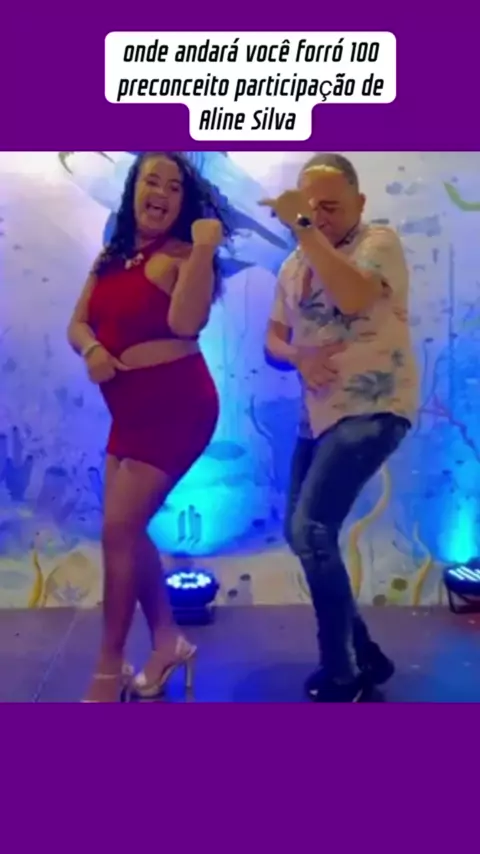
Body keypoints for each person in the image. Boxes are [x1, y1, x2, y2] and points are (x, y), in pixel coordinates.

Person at [67, 152, 233, 702]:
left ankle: (108, 666)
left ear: (184, 204)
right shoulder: (111, 256)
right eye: (151, 181)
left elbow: (186, 322)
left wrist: (205, 247)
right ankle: (168, 641)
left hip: (176, 407)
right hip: (129, 412)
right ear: (133, 189)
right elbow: (77, 323)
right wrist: (92, 350)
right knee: (127, 529)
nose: (160, 193)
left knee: (117, 531)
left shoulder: (184, 255)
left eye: (173, 187)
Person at [262, 153, 418, 702]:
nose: (318, 217)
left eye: (330, 207)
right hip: (317, 416)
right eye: (309, 208)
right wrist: (298, 356)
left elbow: (352, 295)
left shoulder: (378, 242)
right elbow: (273, 341)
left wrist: (303, 228)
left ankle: (342, 672)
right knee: (301, 532)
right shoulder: (293, 266)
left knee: (312, 529)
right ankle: (365, 655)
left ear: (360, 203)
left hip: (375, 407)